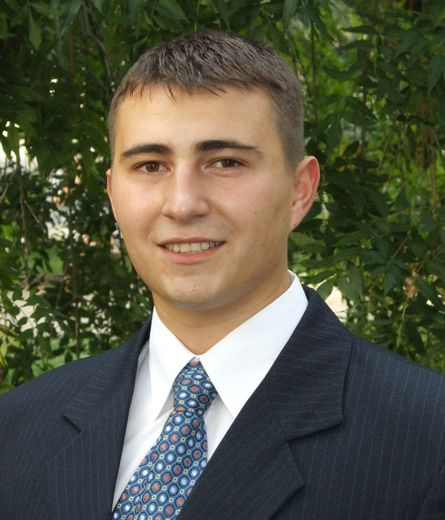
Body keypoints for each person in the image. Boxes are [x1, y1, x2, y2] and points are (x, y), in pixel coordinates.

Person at [0, 30, 444, 520]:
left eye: (226, 162)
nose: (183, 204)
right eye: (150, 165)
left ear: (300, 190)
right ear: (113, 194)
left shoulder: (427, 439)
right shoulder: (18, 428)